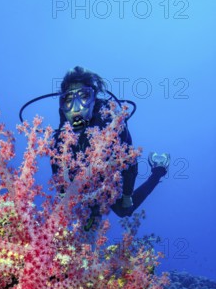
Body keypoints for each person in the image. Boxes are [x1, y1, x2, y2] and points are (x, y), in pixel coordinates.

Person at [52, 66, 170, 230]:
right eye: (68, 100)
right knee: (85, 214)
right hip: (81, 181)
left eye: (84, 96)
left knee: (124, 211)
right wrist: (63, 192)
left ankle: (159, 170)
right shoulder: (62, 133)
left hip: (108, 179)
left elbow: (129, 159)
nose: (76, 107)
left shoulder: (110, 123)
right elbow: (56, 162)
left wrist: (128, 194)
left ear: (94, 98)